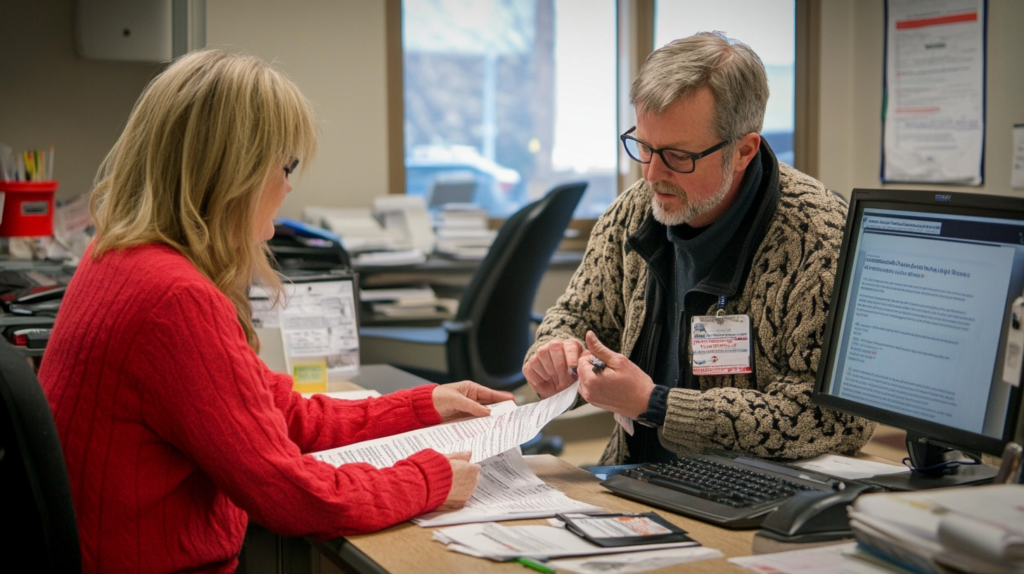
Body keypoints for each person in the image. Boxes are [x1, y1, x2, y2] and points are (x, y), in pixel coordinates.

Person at [39, 50, 511, 574]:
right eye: (283, 166)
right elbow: (293, 495)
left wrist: (426, 406)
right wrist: (431, 479)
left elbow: (281, 415)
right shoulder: (174, 300)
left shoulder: (118, 257)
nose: (289, 185)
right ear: (230, 171)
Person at [523, 33, 876, 466]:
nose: (652, 174)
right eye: (644, 147)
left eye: (676, 156)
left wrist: (657, 405)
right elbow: (578, 316)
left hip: (759, 499)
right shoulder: (634, 211)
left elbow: (836, 417)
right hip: (633, 475)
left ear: (743, 150)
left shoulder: (819, 240)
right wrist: (557, 353)